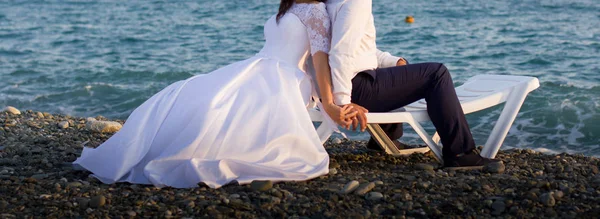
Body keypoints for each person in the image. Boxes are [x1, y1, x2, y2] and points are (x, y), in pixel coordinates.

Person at [74, 0, 355, 188]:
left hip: (284, 78)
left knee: (219, 105)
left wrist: (329, 103)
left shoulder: (317, 10)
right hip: (257, 66)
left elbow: (320, 60)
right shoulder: (288, 7)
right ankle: (157, 148)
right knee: (191, 94)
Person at [325, 0, 498, 168]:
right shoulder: (354, 2)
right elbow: (341, 54)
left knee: (393, 72)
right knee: (436, 74)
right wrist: (342, 101)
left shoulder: (329, 3)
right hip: (352, 87)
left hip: (338, 84)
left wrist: (394, 61)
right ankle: (460, 154)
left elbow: (357, 49)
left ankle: (383, 140)